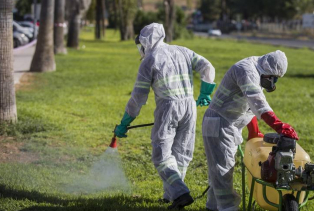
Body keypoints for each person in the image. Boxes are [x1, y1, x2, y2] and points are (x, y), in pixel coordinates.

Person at [114, 23, 216, 210]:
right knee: (181, 153)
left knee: (161, 155)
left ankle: (180, 193)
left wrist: (125, 122)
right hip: (189, 107)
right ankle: (171, 196)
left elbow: (138, 98)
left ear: (146, 40)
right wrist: (205, 92)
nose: (141, 49)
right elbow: (207, 66)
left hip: (168, 107)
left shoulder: (149, 60)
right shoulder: (182, 51)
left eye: (141, 44)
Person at [202, 50, 299, 211]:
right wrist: (280, 125)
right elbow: (258, 103)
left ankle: (213, 207)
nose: (274, 83)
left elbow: (249, 105)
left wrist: (253, 130)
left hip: (228, 124)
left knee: (220, 169)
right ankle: (227, 208)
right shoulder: (246, 70)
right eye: (273, 79)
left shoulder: (258, 70)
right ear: (267, 72)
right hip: (219, 123)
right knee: (222, 170)